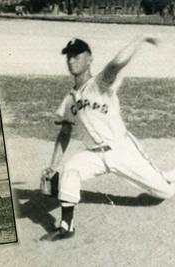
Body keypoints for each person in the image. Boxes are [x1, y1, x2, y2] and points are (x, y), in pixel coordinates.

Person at [41, 36, 175, 241]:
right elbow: (64, 133)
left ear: (89, 58)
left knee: (164, 192)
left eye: (77, 55)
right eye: (68, 56)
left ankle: (168, 176)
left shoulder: (100, 83)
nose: (71, 60)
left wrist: (140, 40)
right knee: (71, 169)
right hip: (93, 155)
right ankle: (67, 227)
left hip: (121, 150)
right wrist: (53, 166)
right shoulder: (69, 100)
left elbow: (116, 63)